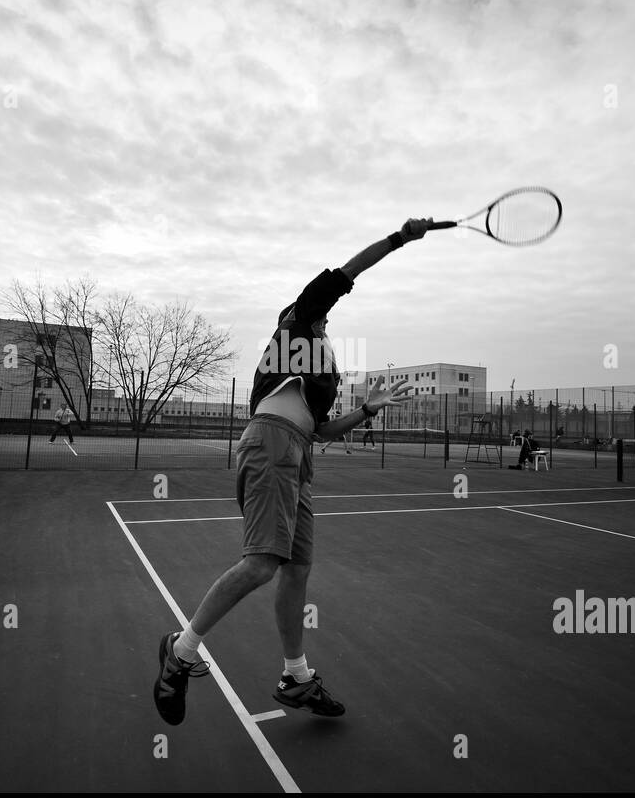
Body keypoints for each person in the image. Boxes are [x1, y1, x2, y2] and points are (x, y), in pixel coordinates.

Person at [153, 218, 434, 725]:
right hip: (271, 445)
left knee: (297, 569)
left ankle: (296, 677)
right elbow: (351, 270)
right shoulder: (301, 318)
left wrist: (370, 409)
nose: (327, 321)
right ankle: (181, 651)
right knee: (262, 563)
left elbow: (323, 432)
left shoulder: (318, 367)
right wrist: (401, 237)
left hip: (299, 454)